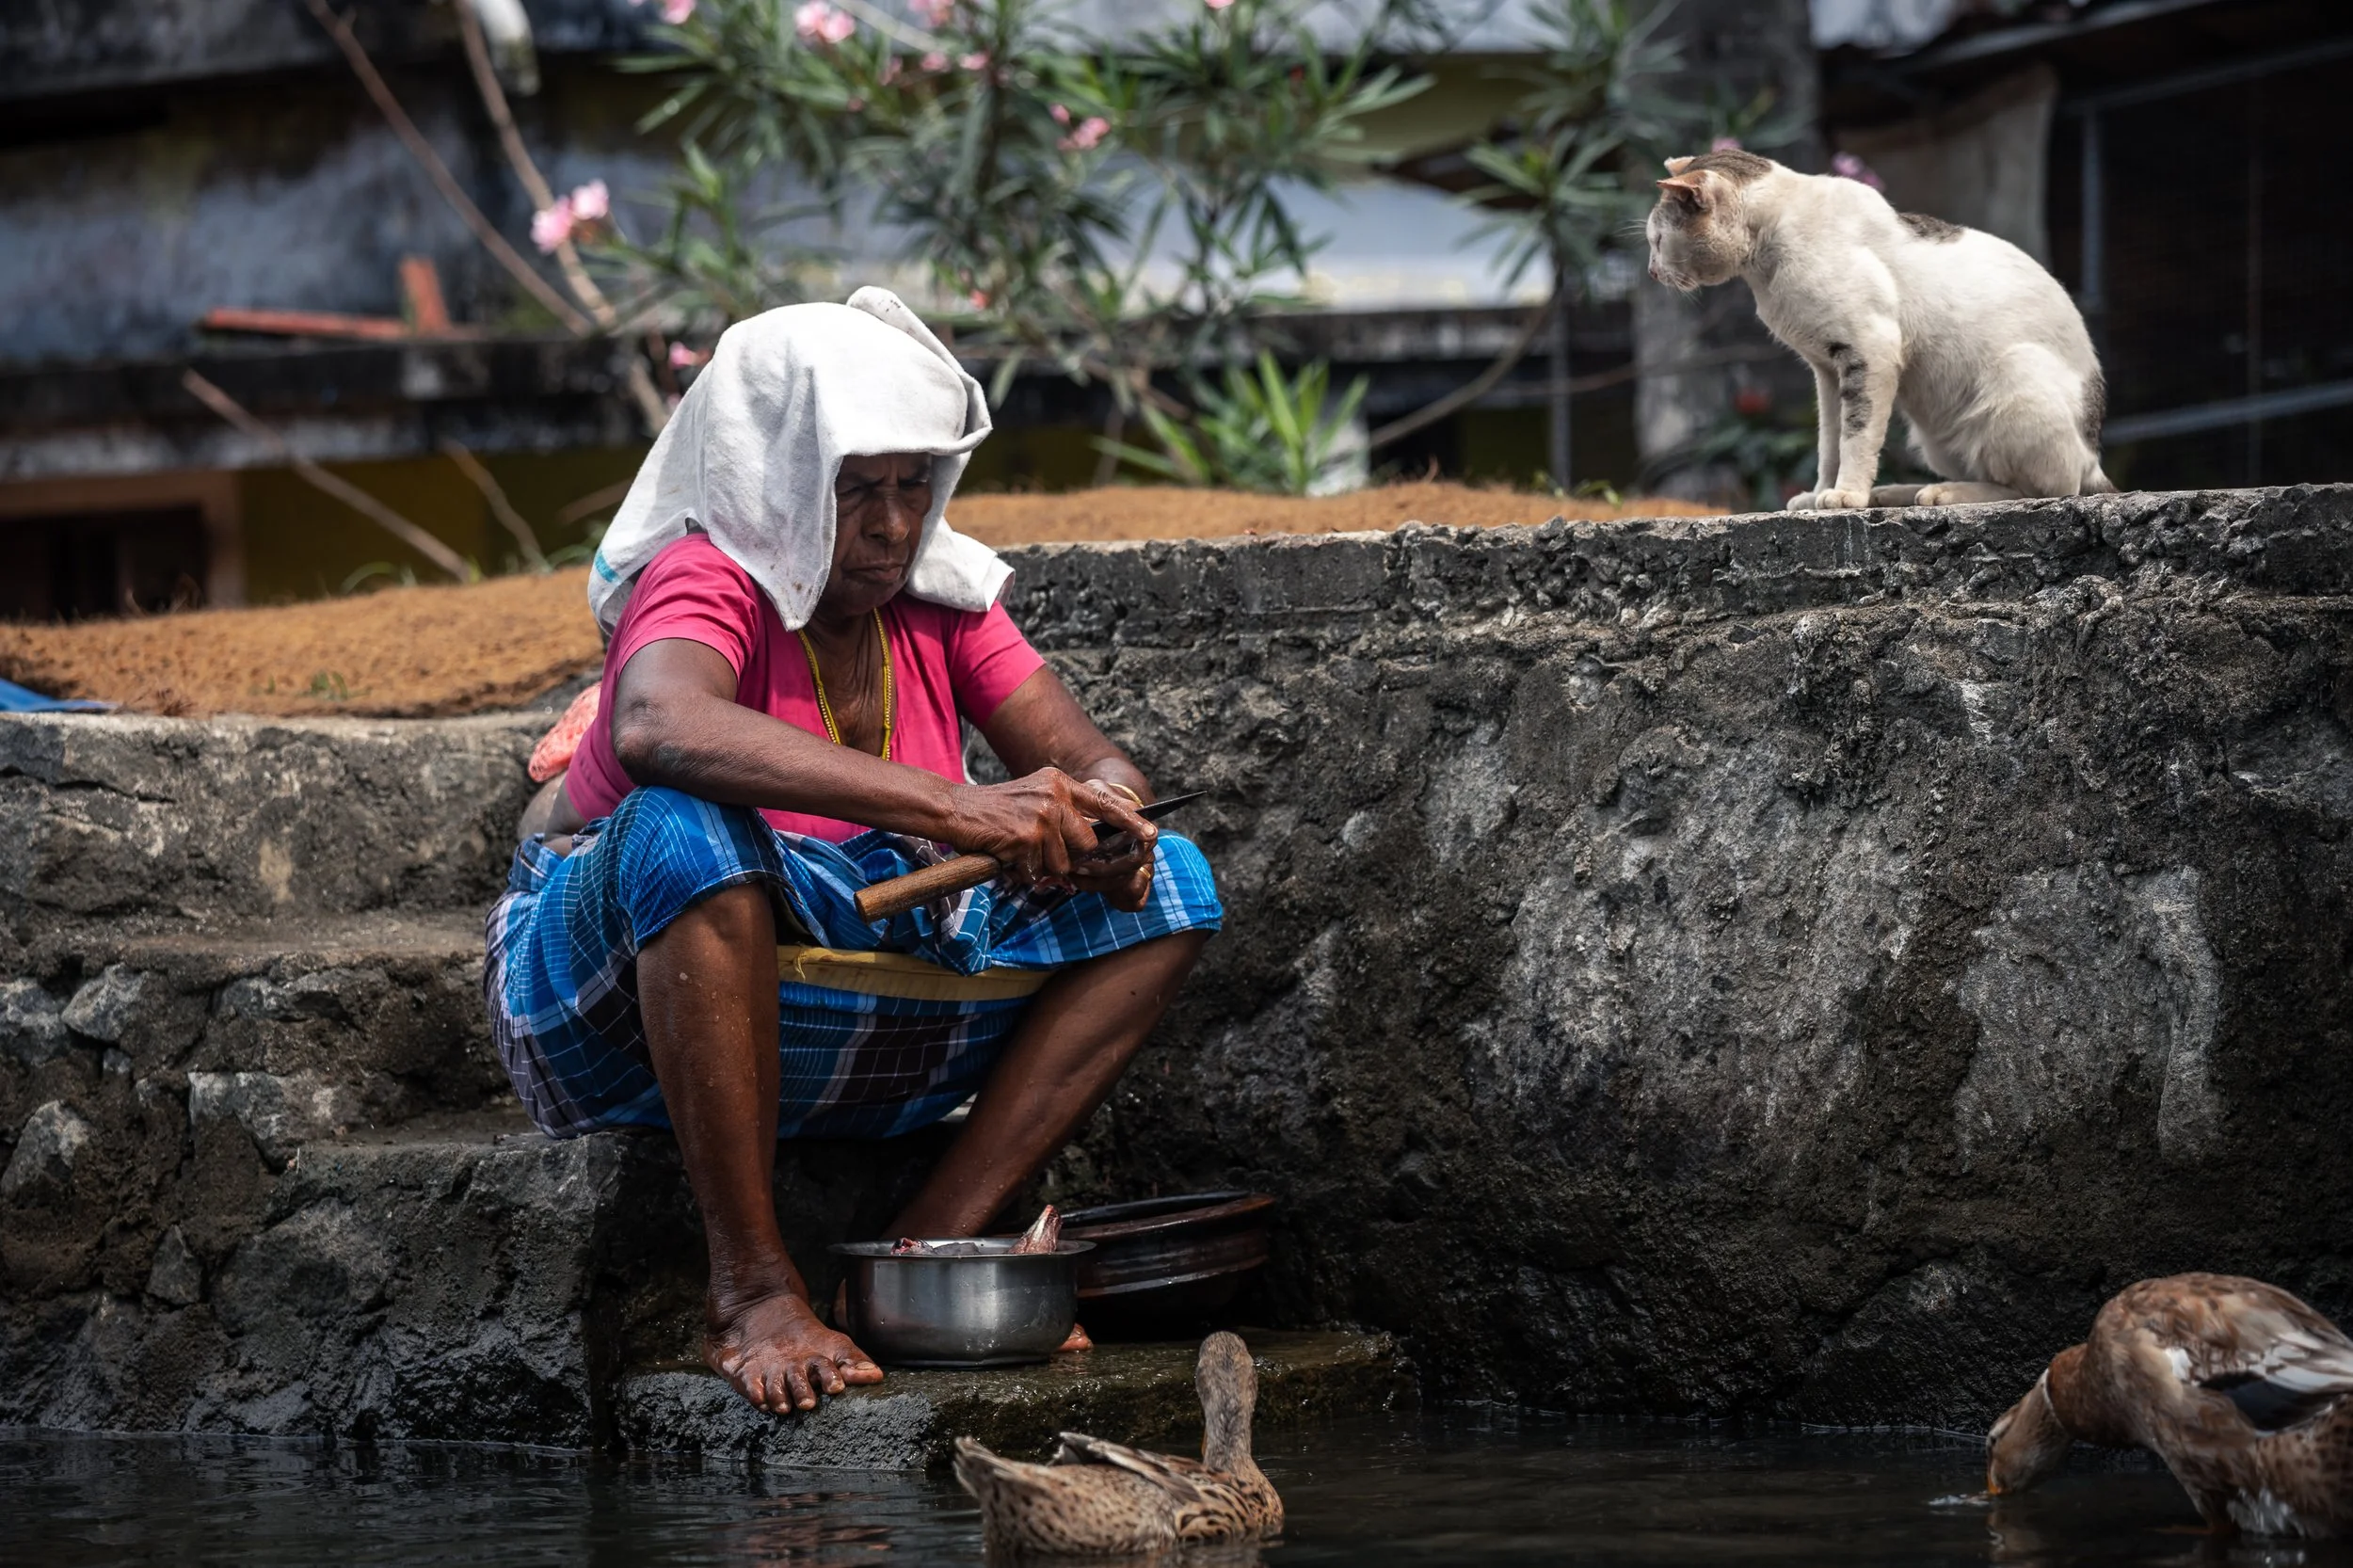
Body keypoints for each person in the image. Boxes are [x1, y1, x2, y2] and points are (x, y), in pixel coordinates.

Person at [489, 290, 1219, 1417]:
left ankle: (922, 1255)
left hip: (857, 988)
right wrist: (964, 810)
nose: (891, 524)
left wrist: (1102, 826)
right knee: (683, 828)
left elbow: (1095, 760)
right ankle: (750, 1291)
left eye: (911, 484)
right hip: (613, 1006)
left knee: (1178, 880)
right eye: (856, 489)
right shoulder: (703, 576)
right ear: (778, 481)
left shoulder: (943, 592)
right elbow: (656, 728)